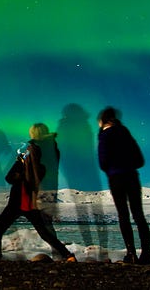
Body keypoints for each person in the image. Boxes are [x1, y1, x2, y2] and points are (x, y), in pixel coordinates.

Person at [0, 123, 76, 262]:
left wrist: (20, 167)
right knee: (44, 232)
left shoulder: (31, 150)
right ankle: (66, 255)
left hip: (23, 195)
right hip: (40, 195)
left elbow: (23, 174)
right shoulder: (53, 150)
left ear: (33, 133)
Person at [97, 106, 150, 264]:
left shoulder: (104, 135)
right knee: (138, 215)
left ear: (102, 120)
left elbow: (103, 162)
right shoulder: (125, 133)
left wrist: (113, 168)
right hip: (132, 176)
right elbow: (140, 159)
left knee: (123, 214)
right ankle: (146, 254)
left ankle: (131, 253)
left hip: (116, 178)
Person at [56, 103, 108, 254]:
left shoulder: (65, 127)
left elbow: (63, 151)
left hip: (77, 172)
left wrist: (67, 171)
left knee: (83, 211)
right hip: (89, 172)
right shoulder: (85, 126)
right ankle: (99, 245)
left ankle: (90, 245)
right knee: (96, 210)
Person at [28, 123, 60, 241]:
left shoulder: (35, 148)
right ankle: (58, 252)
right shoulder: (52, 146)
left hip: (40, 188)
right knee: (46, 222)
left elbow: (35, 171)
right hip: (51, 187)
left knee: (44, 224)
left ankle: (59, 252)